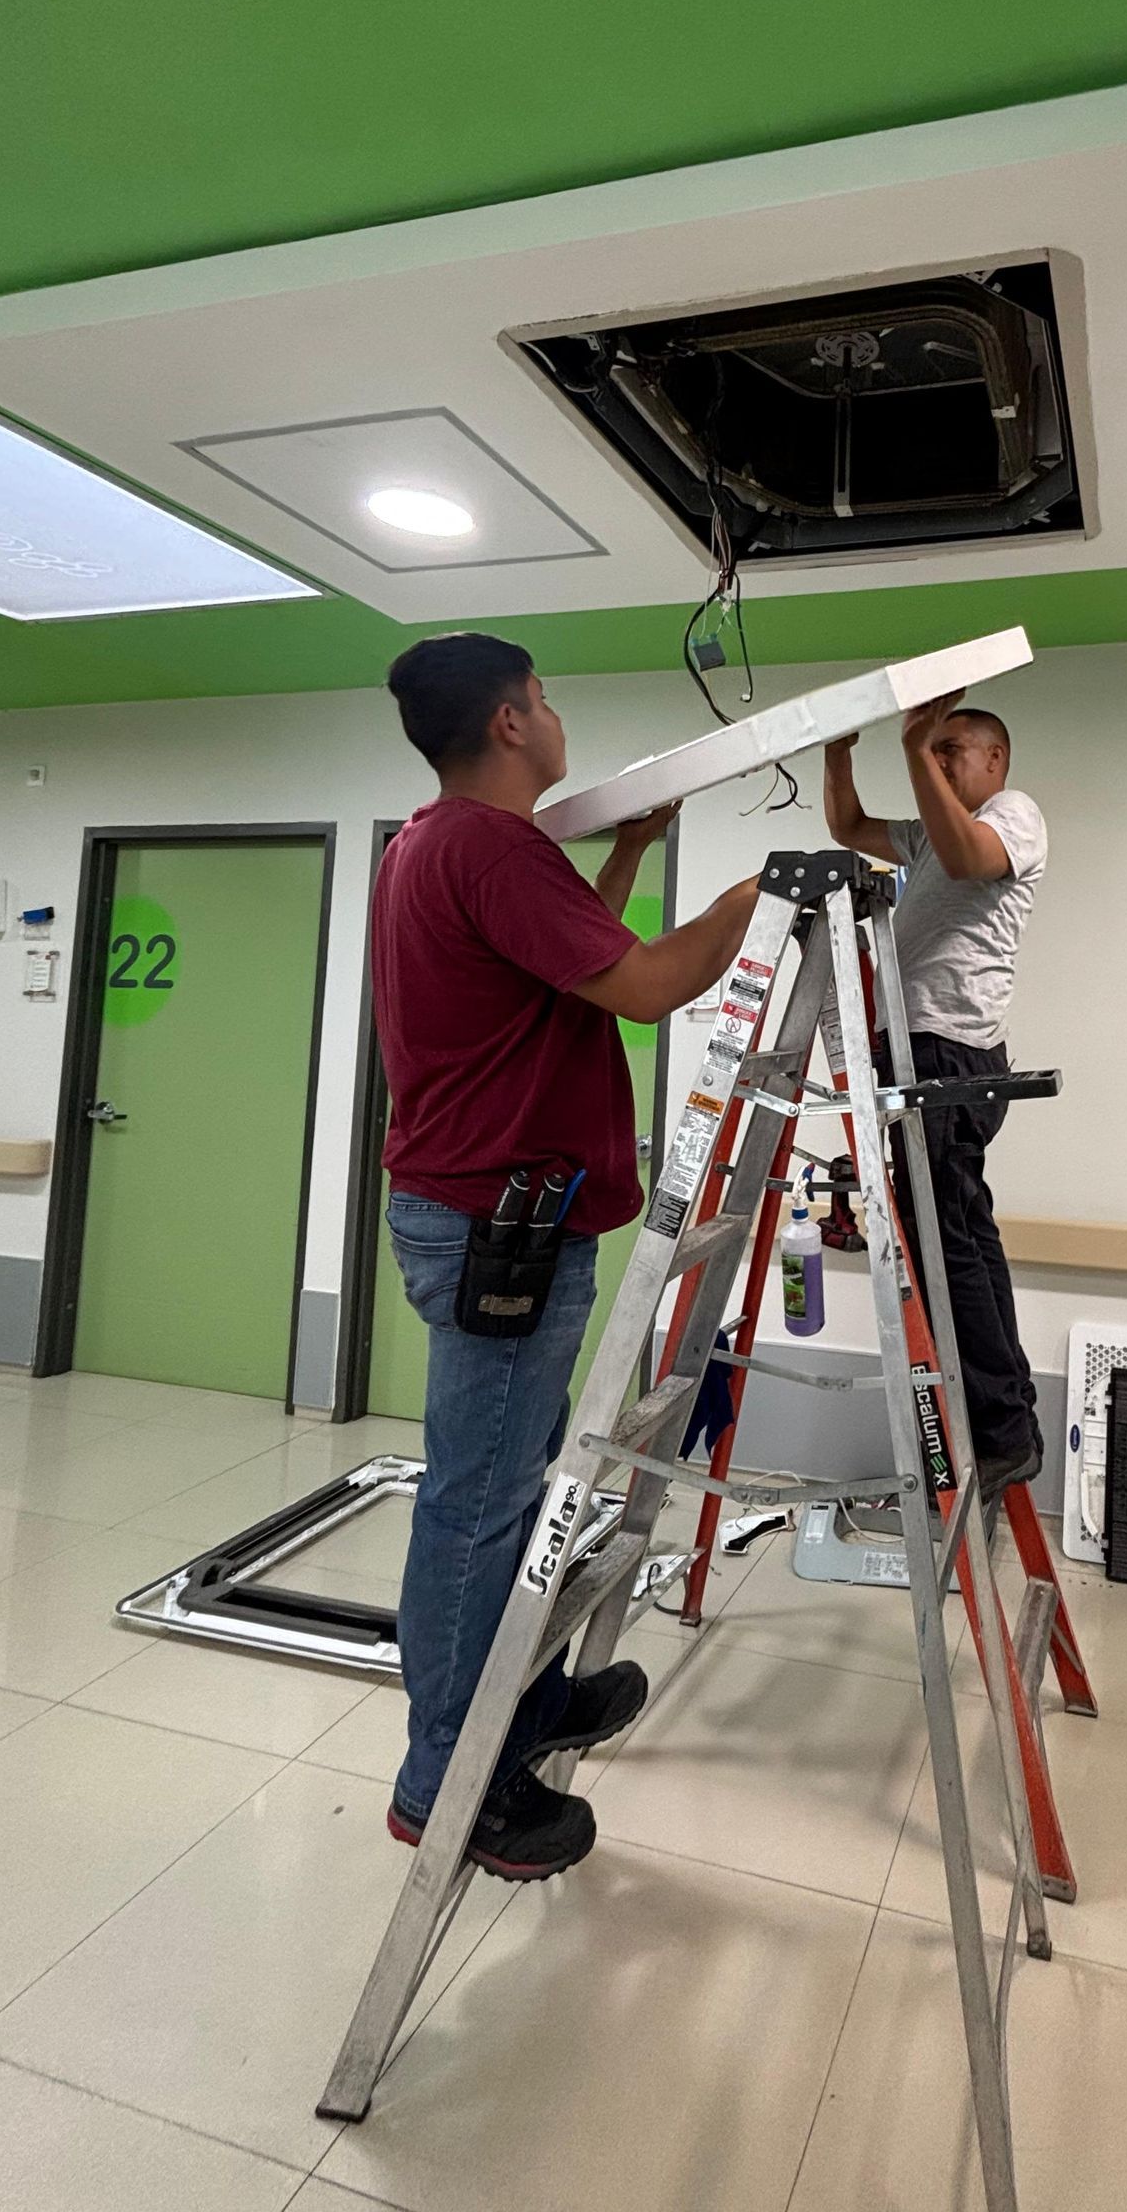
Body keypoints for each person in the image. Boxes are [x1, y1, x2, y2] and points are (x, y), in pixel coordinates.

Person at [373, 632, 758, 1880]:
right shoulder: (490, 847)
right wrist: (750, 903)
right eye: (542, 699)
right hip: (502, 1227)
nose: (554, 715)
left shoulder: (442, 844)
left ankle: (522, 1704)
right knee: (479, 1506)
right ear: (509, 721)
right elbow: (640, 987)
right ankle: (446, 1785)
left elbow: (565, 956)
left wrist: (633, 852)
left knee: (509, 1486)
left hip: (496, 1212)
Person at [823, 693, 1047, 1500]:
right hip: (921, 1051)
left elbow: (964, 858)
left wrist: (915, 745)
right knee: (958, 1232)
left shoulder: (1013, 815)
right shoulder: (926, 834)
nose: (942, 760)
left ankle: (1000, 1431)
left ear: (995, 759)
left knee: (945, 1239)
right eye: (936, 749)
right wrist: (839, 752)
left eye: (955, 749)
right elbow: (850, 827)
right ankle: (1003, 1422)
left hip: (951, 1051)